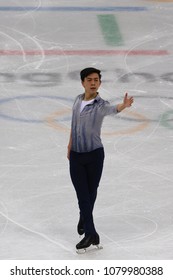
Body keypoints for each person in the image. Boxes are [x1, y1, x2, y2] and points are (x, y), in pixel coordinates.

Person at [67, 67, 133, 251]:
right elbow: (73, 125)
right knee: (83, 196)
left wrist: (123, 105)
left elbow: (113, 109)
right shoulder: (77, 100)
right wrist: (69, 145)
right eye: (89, 80)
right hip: (76, 155)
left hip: (95, 155)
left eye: (96, 80)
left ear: (99, 83)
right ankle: (90, 231)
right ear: (83, 82)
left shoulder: (100, 104)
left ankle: (88, 230)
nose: (93, 82)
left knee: (91, 192)